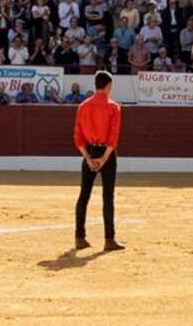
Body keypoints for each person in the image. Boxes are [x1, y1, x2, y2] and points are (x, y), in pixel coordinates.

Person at [73, 70, 125, 251]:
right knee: (107, 196)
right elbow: (113, 137)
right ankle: (109, 240)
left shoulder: (83, 106)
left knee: (84, 196)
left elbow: (77, 137)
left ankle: (79, 237)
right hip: (107, 154)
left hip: (88, 150)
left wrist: (88, 157)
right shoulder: (113, 107)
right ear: (108, 86)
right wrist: (104, 158)